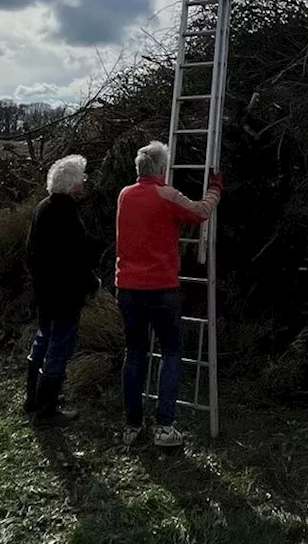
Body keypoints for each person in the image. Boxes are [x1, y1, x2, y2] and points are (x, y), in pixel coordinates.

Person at [114, 141, 223, 448]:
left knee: (134, 353)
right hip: (161, 288)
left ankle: (133, 427)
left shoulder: (124, 195)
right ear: (162, 169)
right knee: (171, 352)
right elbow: (200, 212)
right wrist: (215, 188)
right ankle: (164, 428)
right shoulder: (166, 195)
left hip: (127, 287)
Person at [23, 154, 101, 428]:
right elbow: (76, 255)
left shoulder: (44, 207)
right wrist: (92, 273)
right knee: (59, 346)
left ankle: (32, 398)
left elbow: (33, 253)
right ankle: (47, 409)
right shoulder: (64, 213)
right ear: (71, 186)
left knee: (43, 339)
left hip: (45, 292)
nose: (85, 184)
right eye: (82, 179)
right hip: (63, 295)